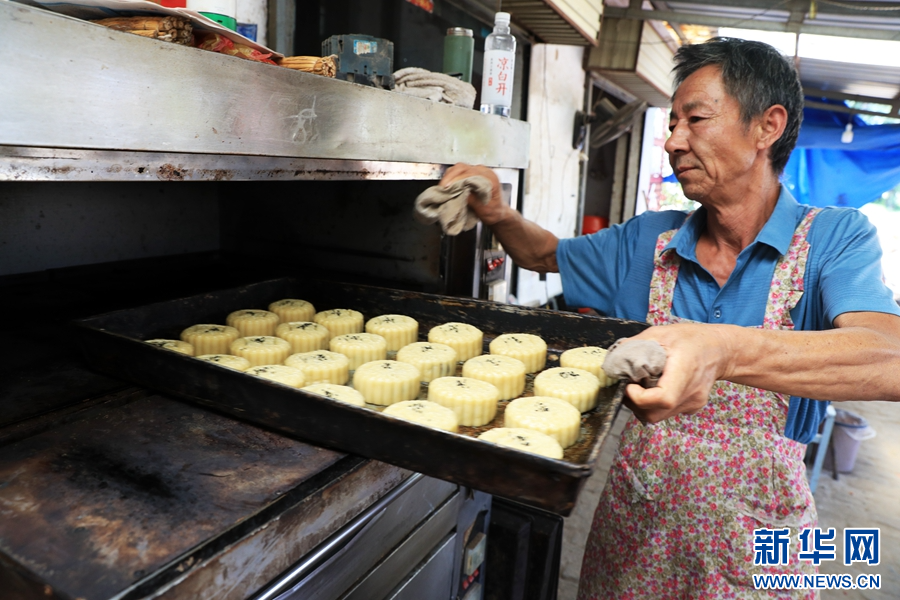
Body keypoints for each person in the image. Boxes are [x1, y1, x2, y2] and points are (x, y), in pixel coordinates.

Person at [442, 38, 900, 598]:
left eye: (696, 119)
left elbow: (890, 357)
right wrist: (496, 211)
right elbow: (542, 254)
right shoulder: (648, 241)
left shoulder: (833, 238)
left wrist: (723, 351)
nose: (673, 140)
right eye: (672, 123)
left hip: (762, 541)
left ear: (768, 126)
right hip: (637, 531)